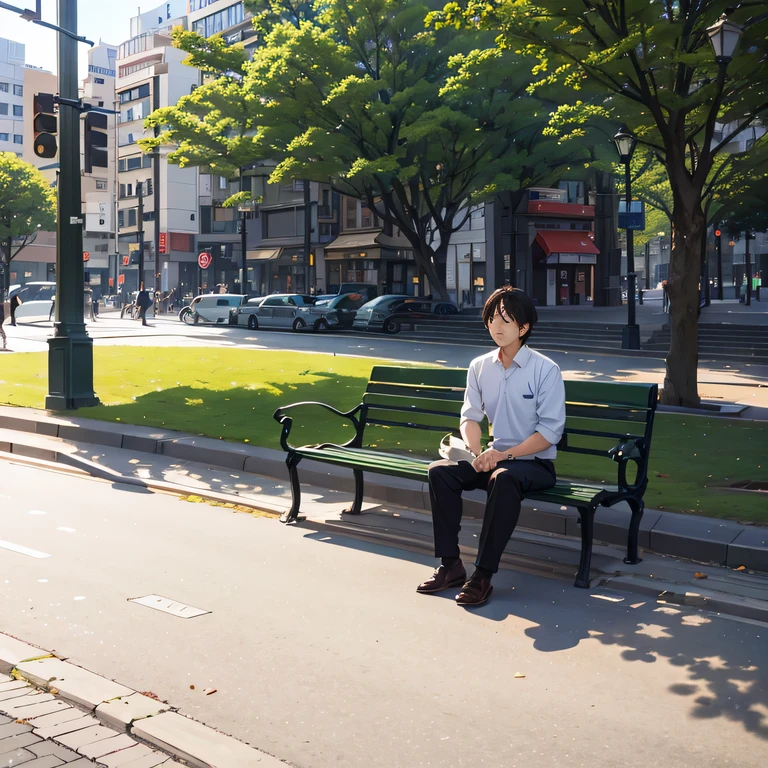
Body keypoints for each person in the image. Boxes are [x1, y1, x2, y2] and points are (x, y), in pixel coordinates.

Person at [417, 286, 566, 607]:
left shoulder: (546, 370)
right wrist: (474, 453)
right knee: (440, 472)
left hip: (533, 464)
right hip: (495, 459)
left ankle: (482, 574)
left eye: (506, 321)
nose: (496, 327)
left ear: (524, 328)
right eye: (492, 319)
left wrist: (504, 455)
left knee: (505, 478)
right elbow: (470, 416)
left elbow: (550, 431)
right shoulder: (480, 366)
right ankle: (450, 564)